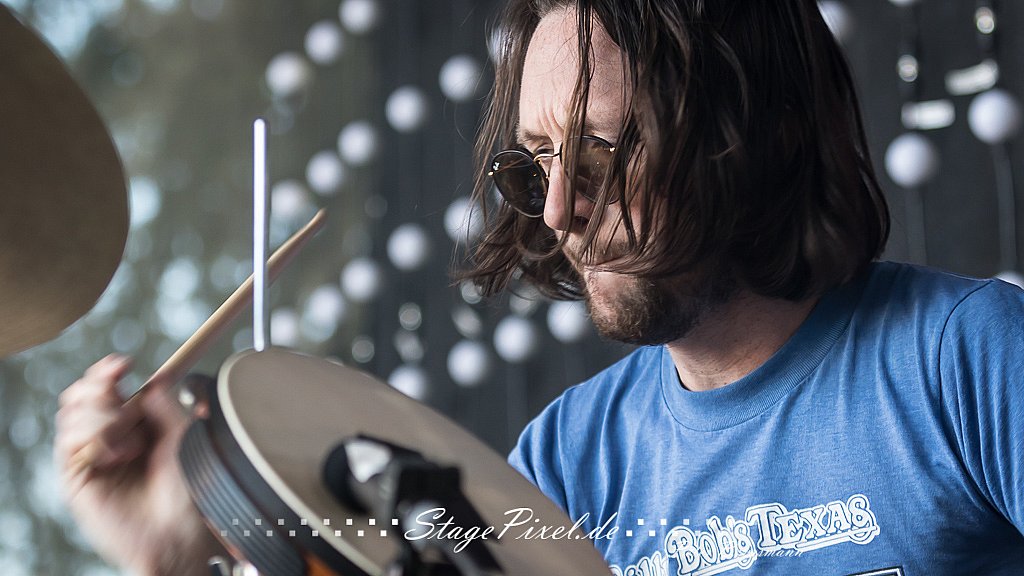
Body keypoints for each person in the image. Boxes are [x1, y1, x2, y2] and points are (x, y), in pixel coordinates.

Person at [55, 1, 1024, 576]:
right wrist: (173, 557)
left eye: (602, 150)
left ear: (749, 131)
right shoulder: (562, 464)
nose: (558, 210)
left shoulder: (967, 359)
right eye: (536, 162)